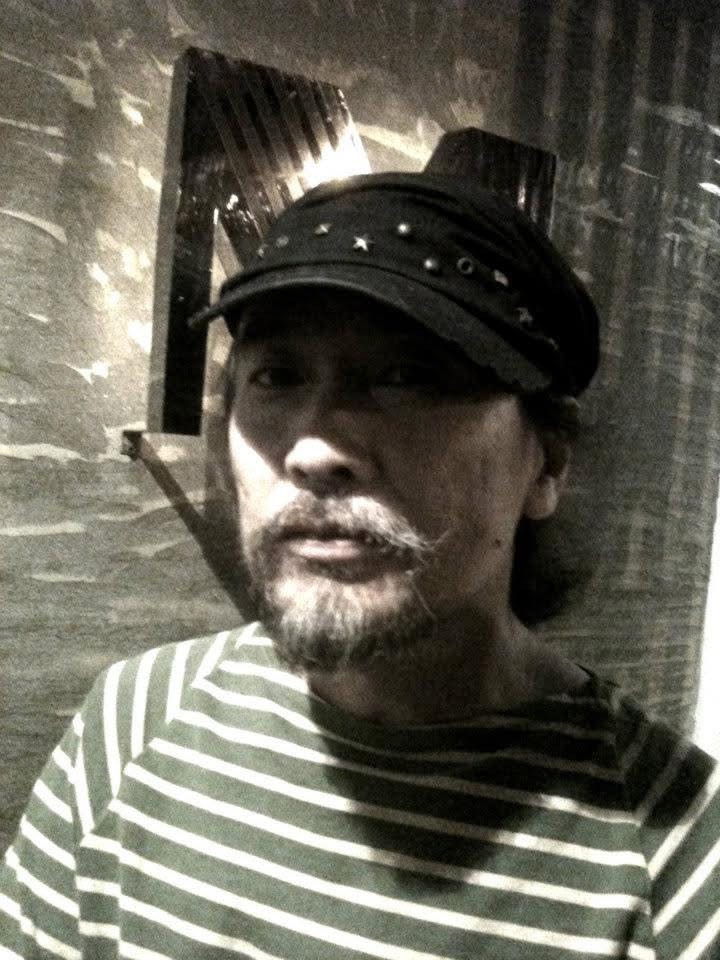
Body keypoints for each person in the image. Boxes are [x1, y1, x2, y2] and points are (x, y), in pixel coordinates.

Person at [1, 172, 718, 960]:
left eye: (407, 377)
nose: (313, 451)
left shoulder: (682, 857)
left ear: (546, 462)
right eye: (277, 377)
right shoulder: (130, 721)